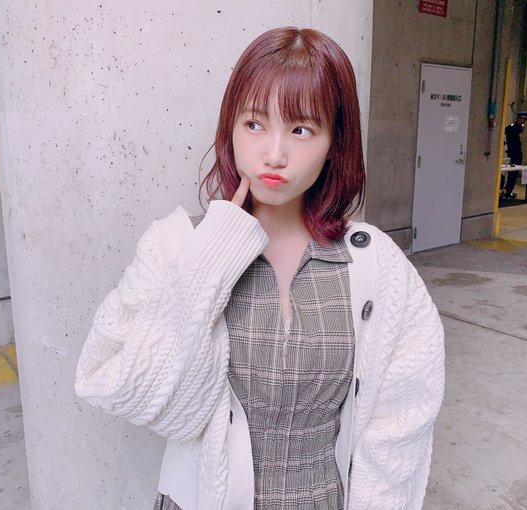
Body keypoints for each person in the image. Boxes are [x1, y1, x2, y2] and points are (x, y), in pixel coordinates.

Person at [75, 27, 445, 510]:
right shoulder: (178, 244)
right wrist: (212, 256)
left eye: (301, 129)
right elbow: (134, 393)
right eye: (254, 123)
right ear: (229, 128)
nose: (274, 154)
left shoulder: (375, 263)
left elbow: (403, 421)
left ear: (335, 142)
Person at [502, 111, 527, 199]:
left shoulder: (520, 127)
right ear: (519, 118)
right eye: (523, 119)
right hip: (512, 153)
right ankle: (508, 190)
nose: (524, 122)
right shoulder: (511, 128)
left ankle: (510, 189)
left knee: (515, 173)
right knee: (512, 172)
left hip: (518, 153)